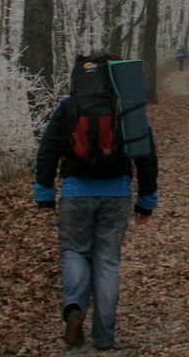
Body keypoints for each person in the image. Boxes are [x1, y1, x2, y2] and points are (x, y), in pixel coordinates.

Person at [34, 54, 159, 351]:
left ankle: (74, 306)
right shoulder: (126, 106)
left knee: (75, 251)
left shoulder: (67, 106)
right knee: (107, 261)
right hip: (116, 194)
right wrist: (146, 200)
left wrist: (44, 194)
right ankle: (103, 336)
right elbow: (146, 154)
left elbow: (48, 149)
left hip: (76, 193)